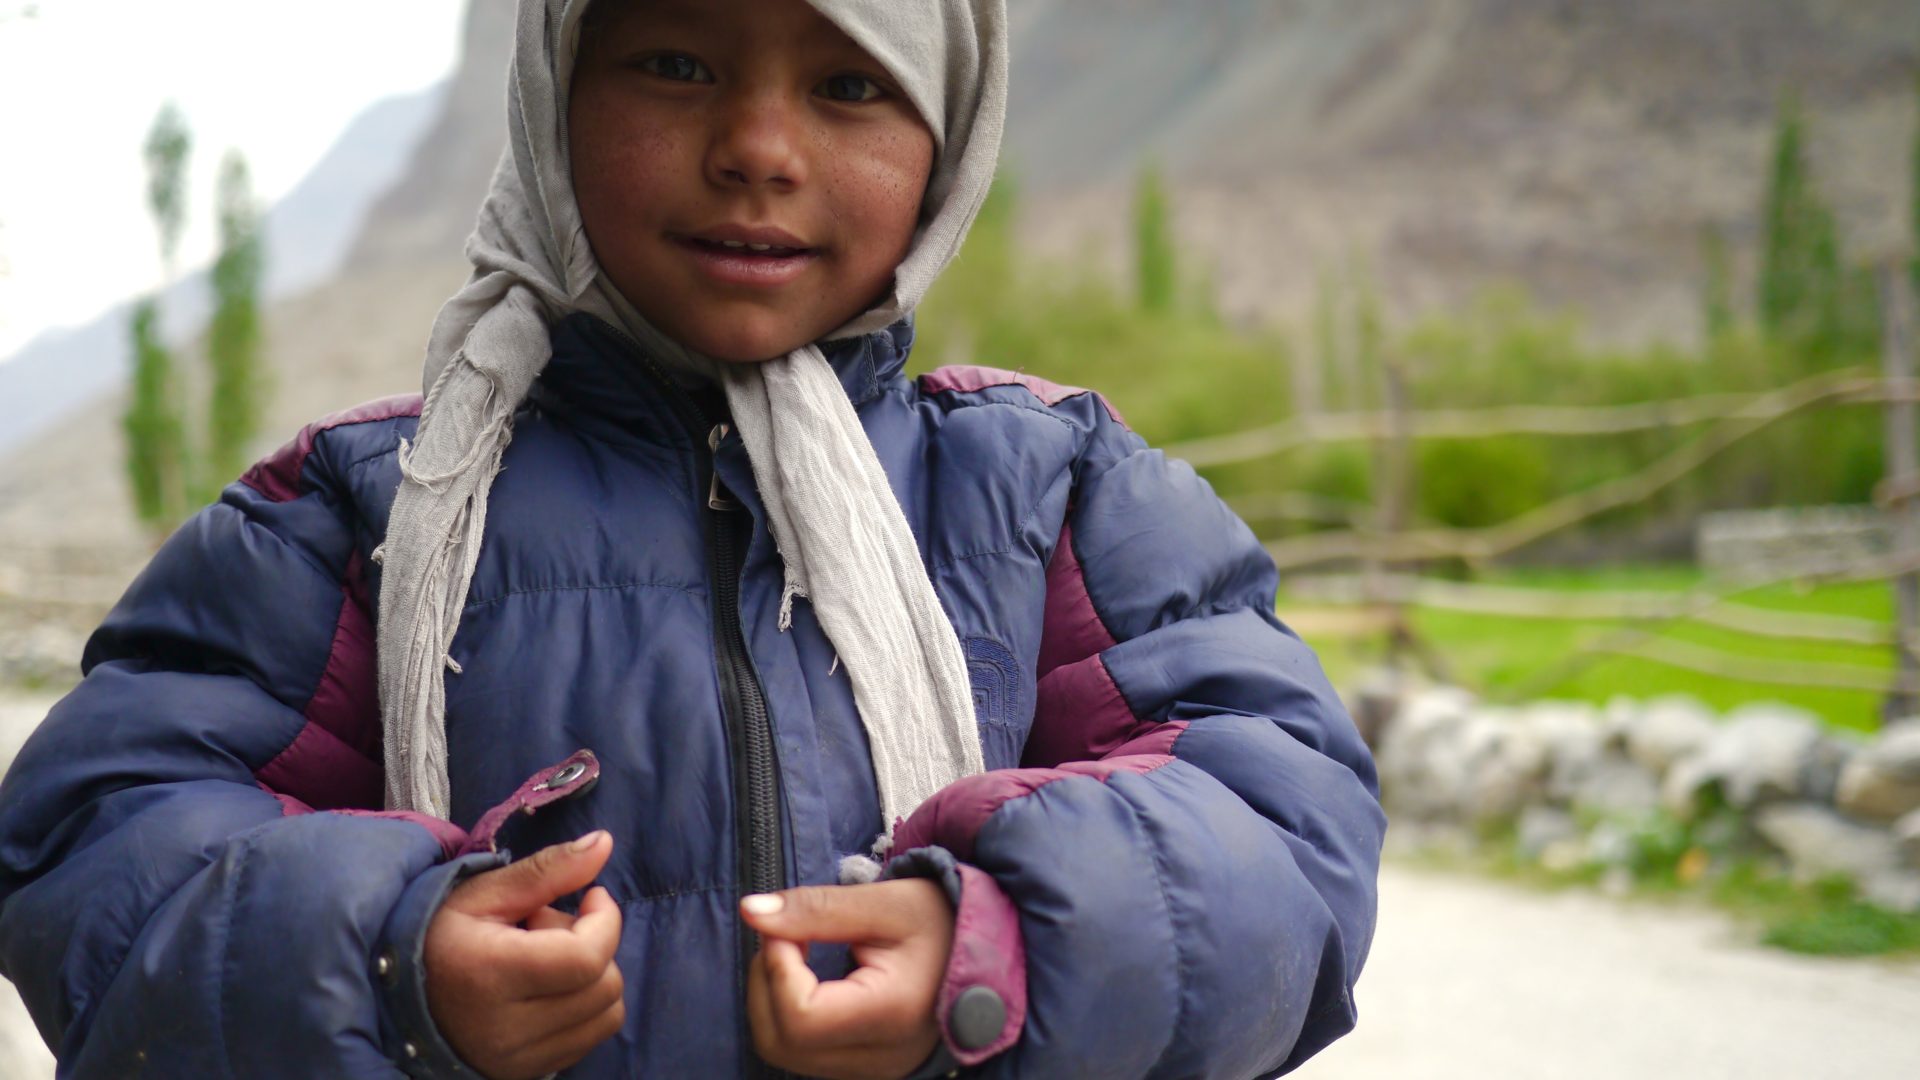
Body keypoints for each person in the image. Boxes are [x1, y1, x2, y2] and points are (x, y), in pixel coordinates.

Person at [0, 0, 1385, 1077]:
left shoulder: (1055, 493)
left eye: (850, 85)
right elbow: (99, 849)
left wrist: (1002, 949)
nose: (758, 150)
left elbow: (1285, 822)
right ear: (554, 94)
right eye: (675, 63)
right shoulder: (356, 515)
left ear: (952, 134)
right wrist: (385, 962)